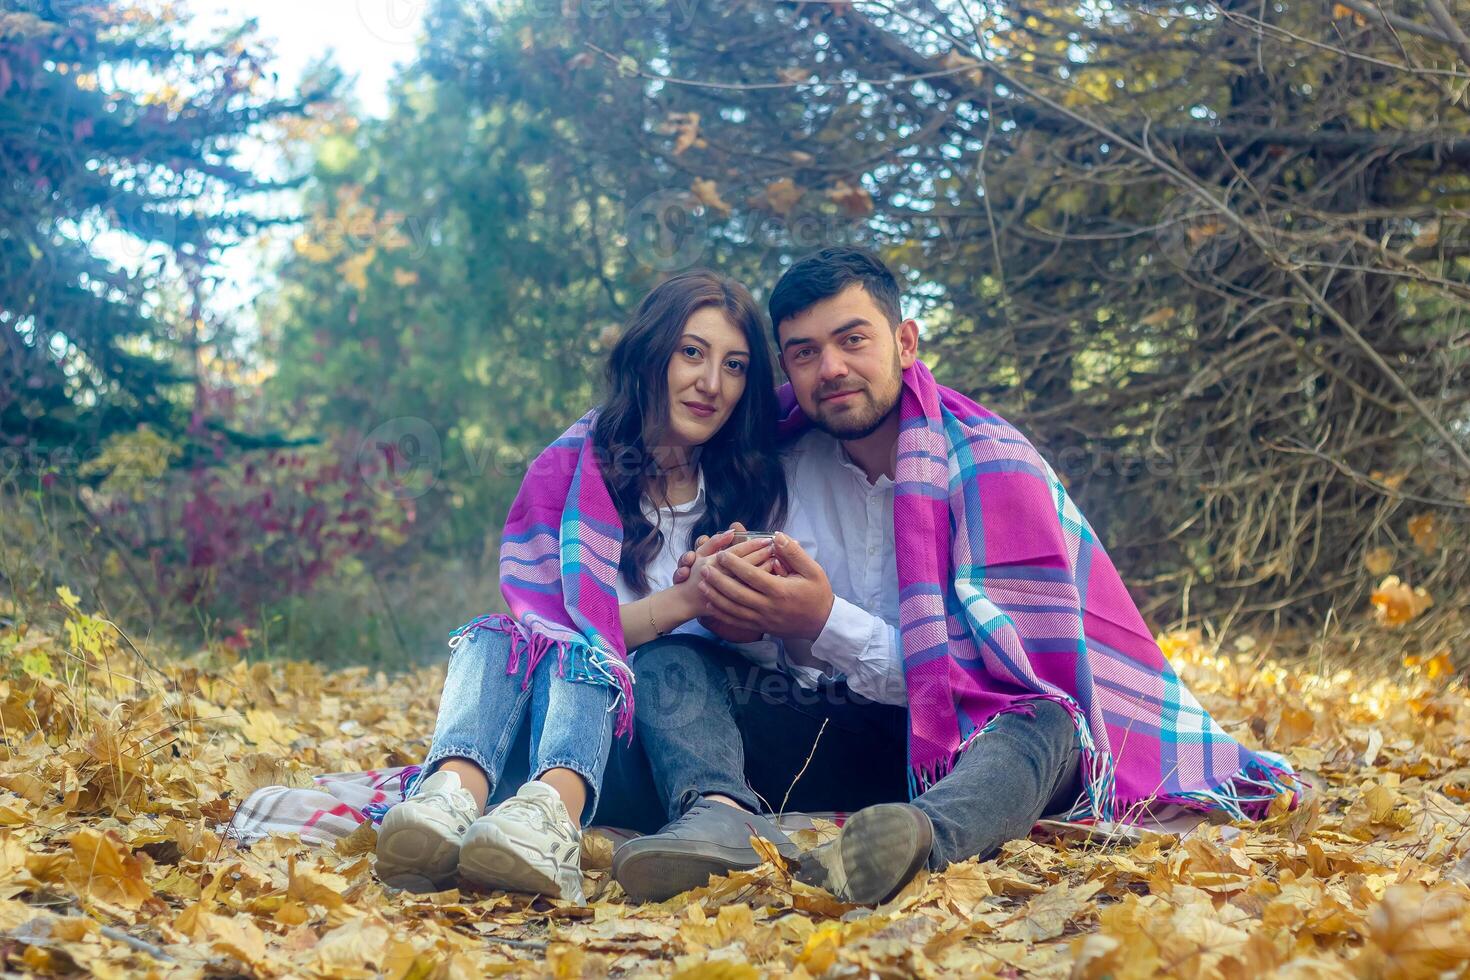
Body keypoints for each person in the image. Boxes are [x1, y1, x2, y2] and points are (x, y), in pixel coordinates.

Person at [610, 247, 1299, 905]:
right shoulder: (776, 466)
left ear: (906, 344)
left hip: (970, 751)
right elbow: (760, 651)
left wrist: (824, 622)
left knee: (1047, 725)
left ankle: (915, 841)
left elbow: (1014, 680)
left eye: (854, 340)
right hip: (826, 731)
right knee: (674, 657)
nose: (832, 368)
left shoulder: (993, 465)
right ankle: (715, 815)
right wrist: (739, 613)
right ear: (787, 372)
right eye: (806, 353)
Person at [373, 270, 790, 903]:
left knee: (594, 650)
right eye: (692, 353)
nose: (711, 384)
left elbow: (768, 655)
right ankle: (449, 799)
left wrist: (715, 601)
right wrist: (683, 601)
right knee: (502, 636)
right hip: (558, 735)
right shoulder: (572, 467)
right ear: (651, 354)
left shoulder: (750, 488)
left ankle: (553, 822)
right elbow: (551, 623)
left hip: (671, 746)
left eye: (734, 366)